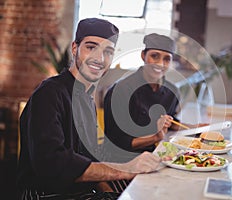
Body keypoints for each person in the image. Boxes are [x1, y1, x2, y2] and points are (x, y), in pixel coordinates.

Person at [16, 18, 162, 200]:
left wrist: (108, 190)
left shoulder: (87, 97)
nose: (99, 58)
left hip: (78, 190)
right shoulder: (48, 93)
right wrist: (126, 169)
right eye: (91, 47)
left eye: (108, 52)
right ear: (75, 48)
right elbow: (52, 164)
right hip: (46, 194)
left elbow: (90, 157)